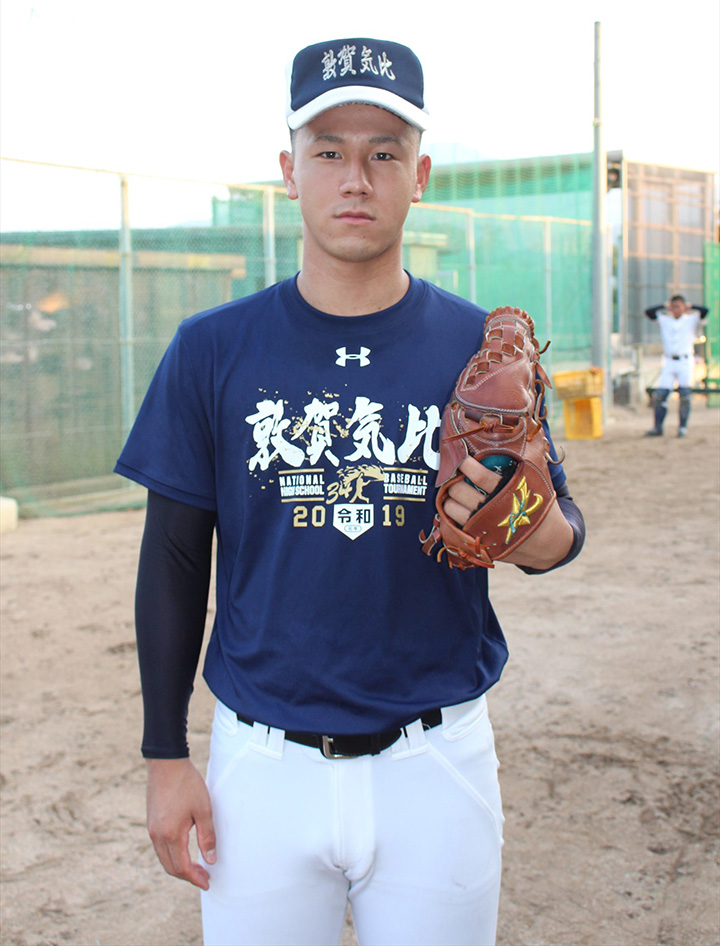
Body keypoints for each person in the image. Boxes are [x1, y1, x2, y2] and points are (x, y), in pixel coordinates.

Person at [115, 38, 586, 946]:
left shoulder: (476, 347)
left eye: (384, 152)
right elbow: (173, 559)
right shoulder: (213, 348)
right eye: (330, 150)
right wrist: (165, 754)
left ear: (421, 174)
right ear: (289, 171)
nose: (356, 178)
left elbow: (562, 533)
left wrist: (527, 528)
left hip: (436, 757)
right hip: (260, 761)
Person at [644, 295, 709, 437]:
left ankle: (682, 428)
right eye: (674, 306)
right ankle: (658, 427)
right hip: (669, 361)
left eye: (679, 306)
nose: (676, 309)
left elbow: (705, 311)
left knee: (685, 395)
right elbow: (649, 312)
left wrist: (690, 307)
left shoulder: (691, 320)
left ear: (684, 307)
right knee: (661, 395)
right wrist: (665, 306)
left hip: (685, 361)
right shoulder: (665, 320)